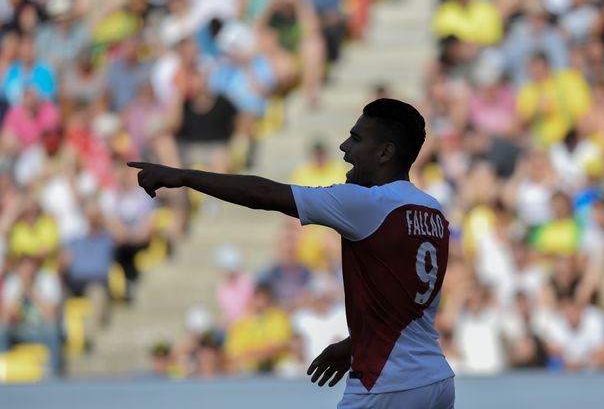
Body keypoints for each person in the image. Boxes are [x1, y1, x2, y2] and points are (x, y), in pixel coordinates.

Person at [128, 98, 455, 407]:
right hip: (435, 380)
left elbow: (265, 194)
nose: (344, 148)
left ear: (385, 152)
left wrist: (184, 175)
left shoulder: (366, 204)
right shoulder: (433, 211)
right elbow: (405, 309)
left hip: (385, 384)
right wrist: (352, 346)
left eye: (356, 139)